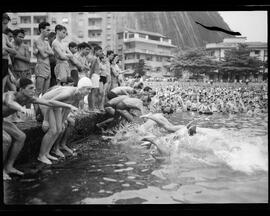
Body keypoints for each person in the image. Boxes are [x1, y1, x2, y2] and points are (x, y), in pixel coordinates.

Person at [2, 78, 75, 180]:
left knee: (21, 136)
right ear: (21, 89)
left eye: (34, 88)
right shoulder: (11, 95)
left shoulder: (29, 98)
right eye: (31, 88)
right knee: (6, 140)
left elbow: (49, 103)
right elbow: (9, 103)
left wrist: (68, 105)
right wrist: (21, 108)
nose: (34, 90)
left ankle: (9, 167)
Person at [38, 77, 93, 164]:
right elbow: (50, 102)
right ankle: (41, 156)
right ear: (82, 88)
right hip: (46, 103)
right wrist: (45, 120)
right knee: (53, 130)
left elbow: (67, 108)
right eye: (88, 89)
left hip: (56, 106)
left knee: (59, 128)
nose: (89, 91)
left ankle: (47, 153)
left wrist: (62, 120)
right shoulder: (67, 93)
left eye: (90, 89)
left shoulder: (79, 95)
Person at [2, 13, 17, 93]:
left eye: (6, 24)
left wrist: (5, 48)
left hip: (5, 64)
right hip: (5, 63)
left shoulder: (4, 36)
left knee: (4, 90)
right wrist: (7, 50)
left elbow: (14, 51)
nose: (6, 26)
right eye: (4, 23)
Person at [88, 45, 102, 112]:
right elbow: (92, 68)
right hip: (94, 75)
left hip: (96, 75)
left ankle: (92, 107)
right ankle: (92, 107)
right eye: (100, 51)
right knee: (93, 92)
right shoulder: (94, 58)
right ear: (96, 51)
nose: (101, 52)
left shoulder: (97, 58)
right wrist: (90, 77)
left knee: (94, 92)